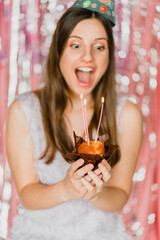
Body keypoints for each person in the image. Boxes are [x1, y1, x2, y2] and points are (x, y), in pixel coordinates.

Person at [6, 0, 143, 239]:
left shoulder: (127, 115)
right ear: (59, 51)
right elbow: (27, 193)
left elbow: (119, 194)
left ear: (109, 56)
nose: (88, 57)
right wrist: (67, 189)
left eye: (99, 47)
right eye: (76, 45)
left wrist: (96, 194)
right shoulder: (24, 110)